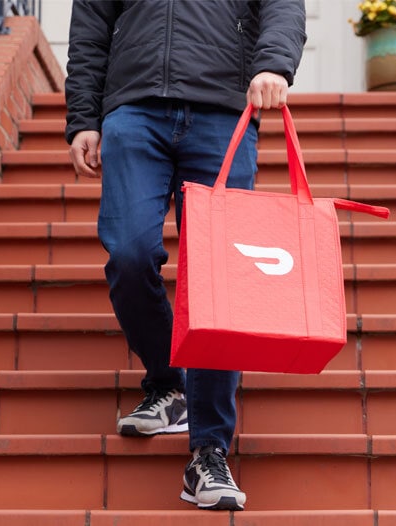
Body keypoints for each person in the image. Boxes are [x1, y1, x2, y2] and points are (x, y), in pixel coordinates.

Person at [65, 0, 306, 512]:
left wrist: (273, 64)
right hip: (133, 109)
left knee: (220, 281)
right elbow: (90, 28)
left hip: (223, 111)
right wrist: (84, 117)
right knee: (129, 253)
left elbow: (283, 5)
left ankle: (209, 450)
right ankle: (167, 381)